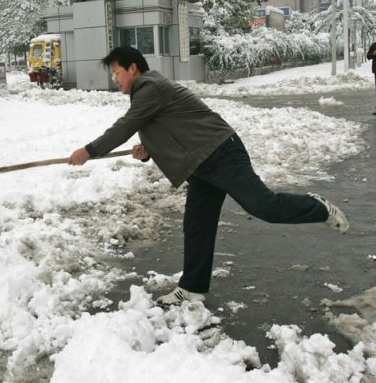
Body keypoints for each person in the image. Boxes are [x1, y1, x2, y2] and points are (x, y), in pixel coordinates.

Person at [67, 47, 349, 305]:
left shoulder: (149, 87)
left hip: (221, 153)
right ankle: (192, 288)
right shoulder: (147, 92)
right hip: (201, 165)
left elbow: (125, 126)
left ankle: (319, 207)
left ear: (132, 69)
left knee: (265, 206)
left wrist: (89, 151)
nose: (114, 79)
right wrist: (149, 151)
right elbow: (168, 129)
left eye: (116, 72)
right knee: (197, 227)